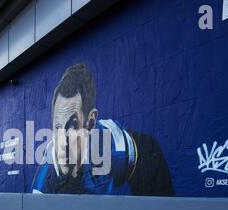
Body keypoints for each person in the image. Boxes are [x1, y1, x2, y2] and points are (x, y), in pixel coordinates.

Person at [32, 63, 174, 196]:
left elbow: (148, 150)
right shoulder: (46, 175)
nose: (63, 141)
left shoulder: (115, 148)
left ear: (90, 122)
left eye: (73, 126)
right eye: (58, 127)